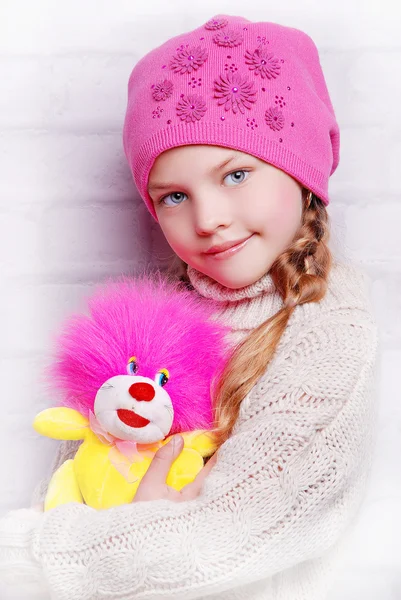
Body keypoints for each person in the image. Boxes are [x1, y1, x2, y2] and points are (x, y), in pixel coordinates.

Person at [0, 13, 379, 600]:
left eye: (236, 175)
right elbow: (69, 485)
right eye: (174, 196)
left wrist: (24, 555)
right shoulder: (149, 320)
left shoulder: (329, 332)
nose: (207, 220)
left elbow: (226, 536)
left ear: (303, 173)